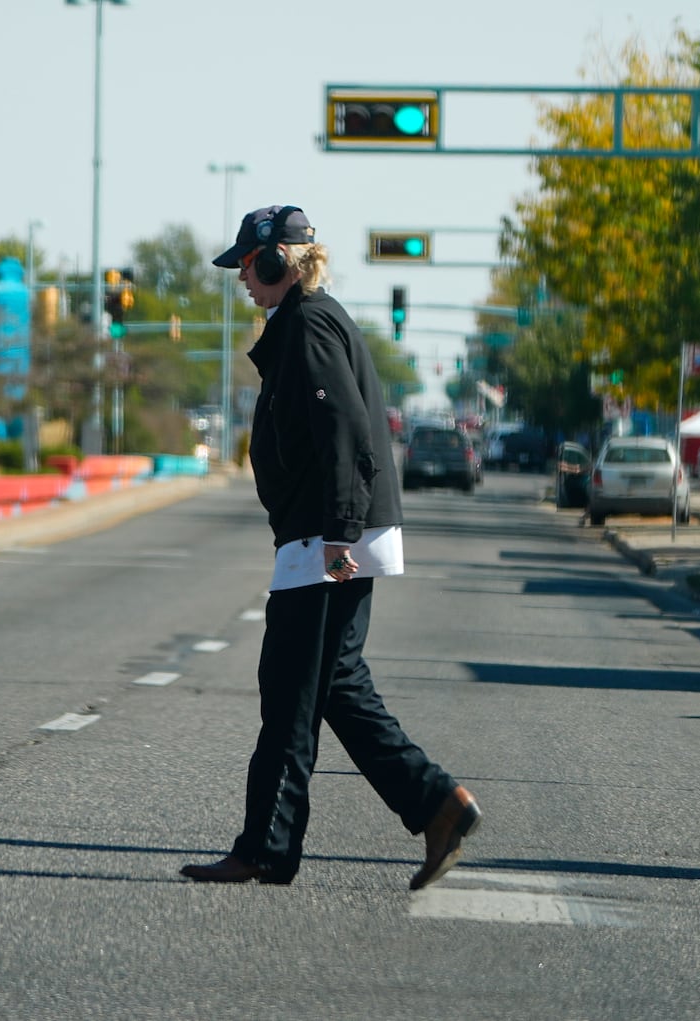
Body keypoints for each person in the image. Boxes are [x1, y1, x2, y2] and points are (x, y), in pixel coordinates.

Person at [180, 205, 481, 889]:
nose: (244, 283)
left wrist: (340, 536)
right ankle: (436, 804)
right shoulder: (314, 318)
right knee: (333, 684)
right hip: (329, 530)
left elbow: (344, 430)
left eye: (250, 268)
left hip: (328, 534)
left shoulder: (308, 324)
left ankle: (264, 846)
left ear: (278, 261)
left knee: (290, 688)